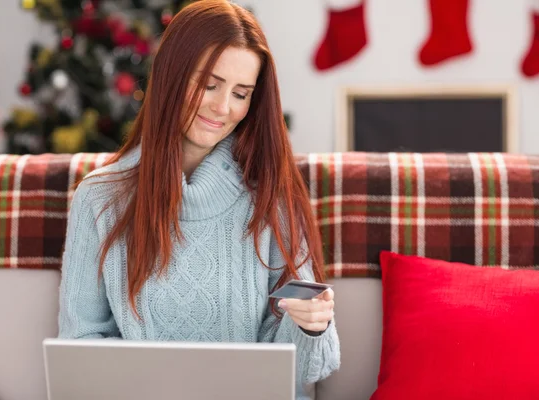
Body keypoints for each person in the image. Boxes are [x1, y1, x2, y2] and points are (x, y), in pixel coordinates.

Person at [57, 0, 340, 398]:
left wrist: (312, 325)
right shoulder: (100, 198)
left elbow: (303, 369)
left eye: (241, 93)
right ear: (171, 76)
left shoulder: (270, 194)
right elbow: (80, 345)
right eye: (209, 85)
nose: (222, 108)